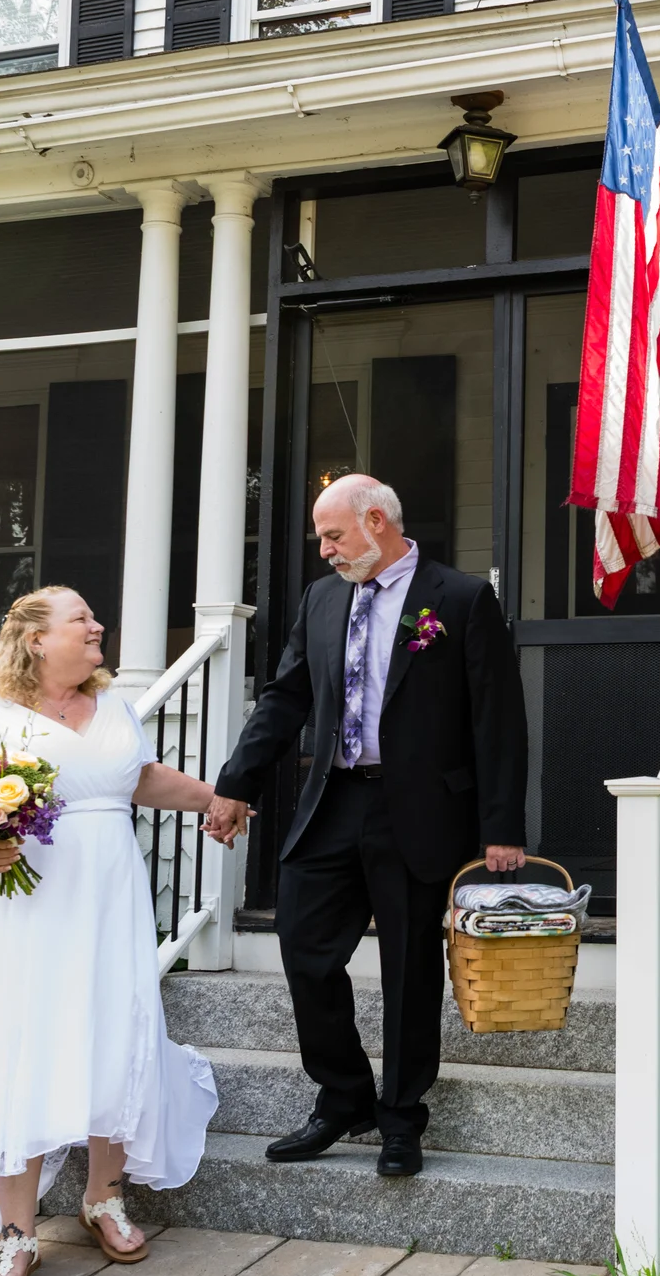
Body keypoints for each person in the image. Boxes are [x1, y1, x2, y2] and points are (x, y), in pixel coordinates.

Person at [205, 474, 526, 1179]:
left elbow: (497, 719)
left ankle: (402, 1116)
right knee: (304, 943)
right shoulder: (323, 598)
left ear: (377, 521)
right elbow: (284, 698)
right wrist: (234, 784)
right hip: (335, 799)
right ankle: (343, 1093)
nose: (324, 550)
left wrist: (501, 827)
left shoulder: (460, 598)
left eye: (333, 535)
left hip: (419, 809)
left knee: (410, 967)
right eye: (322, 538)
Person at [0, 586, 224, 1276]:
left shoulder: (113, 706)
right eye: (81, 619)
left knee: (117, 1031)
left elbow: (139, 778)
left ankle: (103, 1197)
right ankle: (16, 1231)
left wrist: (219, 797)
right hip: (25, 909)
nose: (97, 626)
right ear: (35, 640)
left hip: (111, 901)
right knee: (17, 1042)